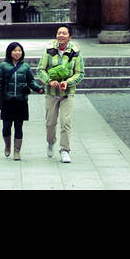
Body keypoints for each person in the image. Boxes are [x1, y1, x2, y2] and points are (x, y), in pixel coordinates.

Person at [0, 41, 44, 161]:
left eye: (19, 50)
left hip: (21, 101)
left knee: (19, 127)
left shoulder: (25, 66)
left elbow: (31, 81)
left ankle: (17, 151)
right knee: (6, 126)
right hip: (7, 100)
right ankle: (7, 145)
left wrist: (38, 88)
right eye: (15, 50)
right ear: (10, 52)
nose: (17, 53)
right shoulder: (3, 66)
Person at [38, 25, 84, 163]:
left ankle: (65, 150)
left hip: (67, 93)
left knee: (66, 122)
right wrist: (49, 80)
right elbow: (41, 69)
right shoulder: (49, 50)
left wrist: (68, 82)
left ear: (70, 36)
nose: (61, 36)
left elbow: (80, 73)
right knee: (50, 122)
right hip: (51, 92)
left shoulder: (75, 52)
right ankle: (51, 142)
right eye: (59, 33)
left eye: (64, 33)